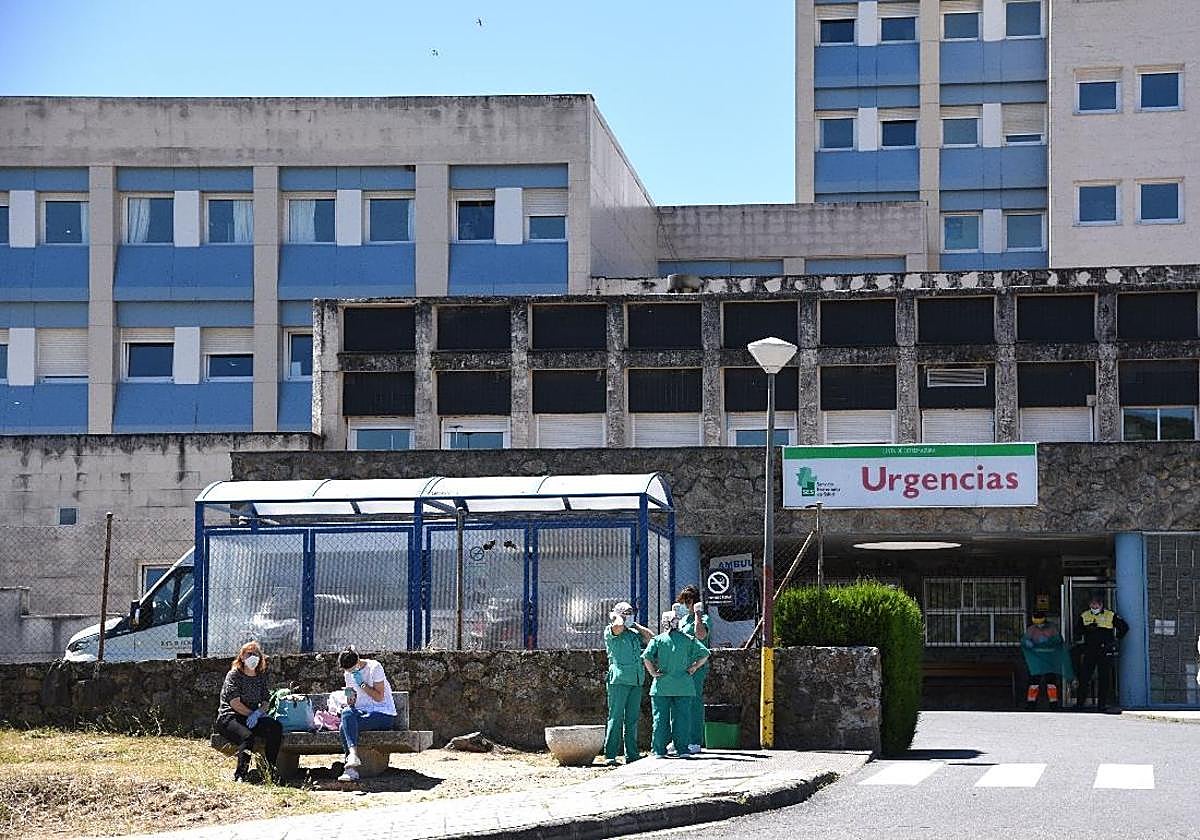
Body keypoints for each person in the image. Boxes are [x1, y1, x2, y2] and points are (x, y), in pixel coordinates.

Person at [642, 610, 710, 758]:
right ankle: (682, 750)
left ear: (664, 622)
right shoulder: (688, 639)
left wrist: (653, 672)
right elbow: (705, 654)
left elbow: (646, 657)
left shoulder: (658, 640)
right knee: (682, 719)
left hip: (661, 686)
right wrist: (694, 667)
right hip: (684, 686)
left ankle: (659, 750)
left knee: (660, 719)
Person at [214, 640, 283, 783]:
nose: (253, 657)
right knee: (247, 736)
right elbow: (234, 703)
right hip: (230, 717)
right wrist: (251, 714)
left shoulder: (260, 676)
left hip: (252, 717)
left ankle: (270, 771)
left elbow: (265, 700)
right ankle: (241, 775)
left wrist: (258, 713)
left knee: (275, 727)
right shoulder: (234, 675)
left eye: (256, 654)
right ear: (242, 657)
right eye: (249, 653)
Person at [603, 601, 654, 766]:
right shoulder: (612, 630)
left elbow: (651, 638)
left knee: (632, 718)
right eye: (626, 612)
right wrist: (618, 617)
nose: (629, 615)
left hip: (635, 679)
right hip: (619, 680)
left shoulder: (632, 633)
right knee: (616, 717)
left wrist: (635, 624)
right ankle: (610, 754)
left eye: (631, 612)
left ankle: (632, 754)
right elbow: (617, 627)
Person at [337, 646, 398, 782]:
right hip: (362, 713)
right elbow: (351, 699)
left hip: (382, 713)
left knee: (344, 727)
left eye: (352, 669)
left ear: (358, 661)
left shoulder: (374, 667)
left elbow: (379, 697)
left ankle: (350, 768)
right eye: (348, 671)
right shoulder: (348, 674)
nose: (350, 672)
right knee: (346, 714)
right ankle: (352, 759)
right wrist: (349, 698)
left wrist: (362, 684)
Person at [1073, 592, 1128, 712]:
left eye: (1097, 604)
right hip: (1090, 650)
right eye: (1092, 604)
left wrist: (1115, 640)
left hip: (1104, 650)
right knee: (1084, 677)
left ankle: (1102, 704)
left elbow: (1124, 627)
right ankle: (1079, 704)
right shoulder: (1085, 615)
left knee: (1104, 678)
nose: (1094, 607)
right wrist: (1086, 630)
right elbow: (1077, 631)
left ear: (1101, 604)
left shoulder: (1110, 615)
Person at [675, 585, 711, 754]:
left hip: (697, 667)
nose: (686, 605)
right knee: (679, 703)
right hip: (681, 667)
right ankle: (679, 738)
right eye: (684, 602)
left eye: (688, 601)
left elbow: (701, 635)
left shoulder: (703, 618)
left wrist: (697, 614)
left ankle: (695, 740)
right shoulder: (682, 621)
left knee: (694, 703)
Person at [1020, 610, 1072, 711]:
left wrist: (1048, 641)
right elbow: (1024, 640)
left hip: (1049, 659)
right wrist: (1027, 642)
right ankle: (1031, 704)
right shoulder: (1031, 629)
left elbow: (1059, 641)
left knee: (1051, 683)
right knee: (1034, 683)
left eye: (1040, 623)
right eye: (1037, 623)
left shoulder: (1052, 629)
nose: (1039, 626)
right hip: (1036, 660)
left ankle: (1053, 704)